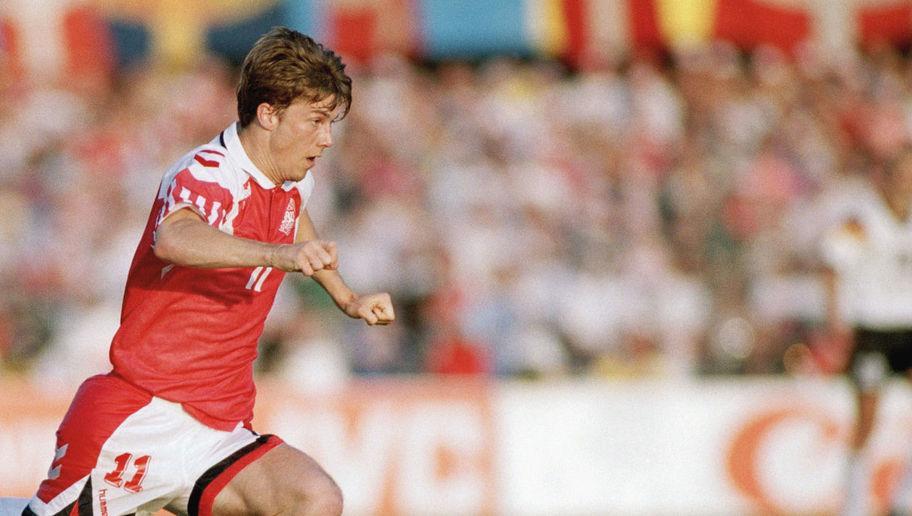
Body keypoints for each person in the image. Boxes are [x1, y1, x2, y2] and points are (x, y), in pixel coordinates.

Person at [23, 27, 395, 516]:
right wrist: (277, 255)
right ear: (269, 113)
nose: (327, 139)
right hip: (141, 416)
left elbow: (295, 221)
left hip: (218, 432)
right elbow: (175, 238)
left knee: (314, 498)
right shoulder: (207, 172)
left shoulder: (291, 179)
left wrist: (346, 297)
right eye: (317, 121)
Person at [821, 146, 912, 516]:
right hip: (873, 329)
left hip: (906, 326)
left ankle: (903, 498)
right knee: (867, 420)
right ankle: (854, 504)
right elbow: (831, 263)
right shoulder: (864, 220)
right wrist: (835, 319)